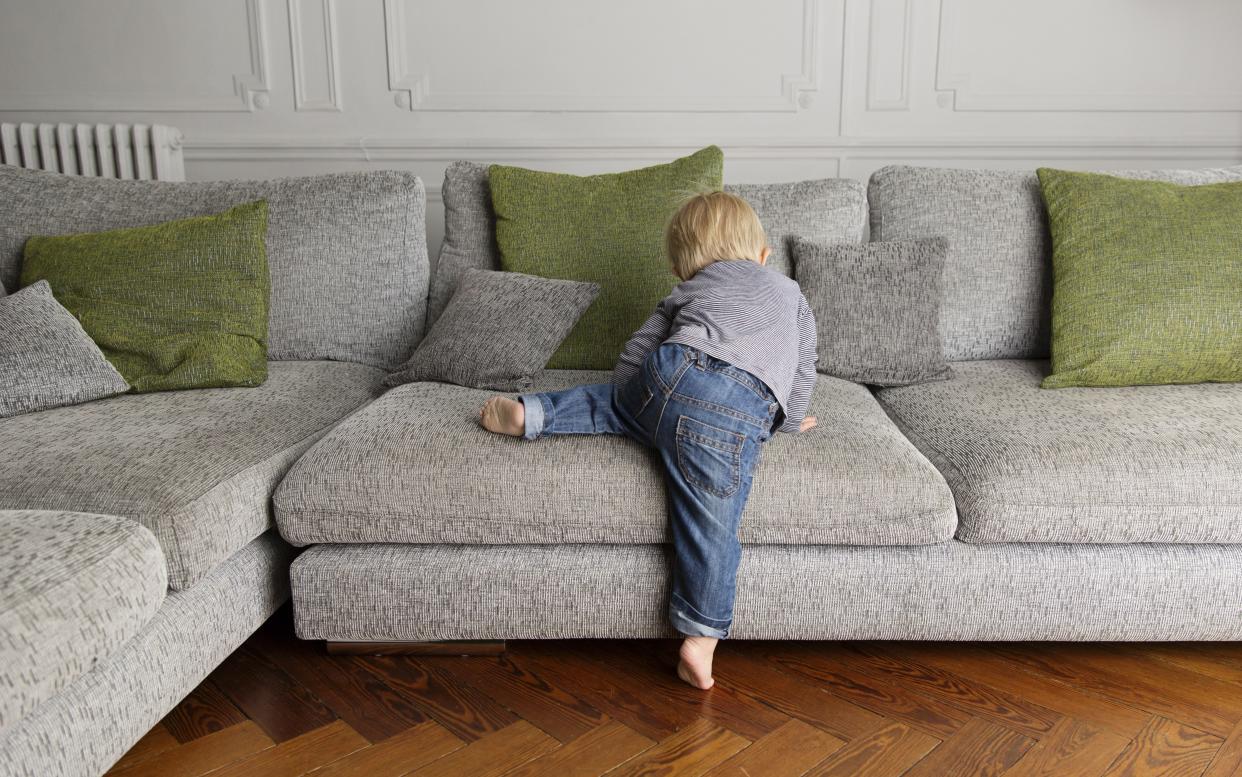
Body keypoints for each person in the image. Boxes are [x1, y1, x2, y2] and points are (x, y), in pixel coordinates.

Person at [479, 190, 818, 689]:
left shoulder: (688, 290)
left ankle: (532, 413)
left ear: (684, 269)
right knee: (712, 522)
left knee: (613, 405)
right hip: (733, 407)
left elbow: (638, 351)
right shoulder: (790, 293)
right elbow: (802, 369)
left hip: (670, 370)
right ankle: (701, 639)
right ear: (764, 255)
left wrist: (634, 396)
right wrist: (792, 419)